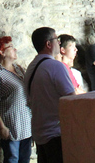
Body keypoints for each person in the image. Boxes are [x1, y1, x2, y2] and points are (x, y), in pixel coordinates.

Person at [24, 27, 75, 163]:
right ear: (48, 44)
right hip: (55, 133)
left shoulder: (31, 67)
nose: (59, 43)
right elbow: (71, 98)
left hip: (40, 132)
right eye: (56, 40)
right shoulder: (55, 66)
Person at [0, 36, 32, 163]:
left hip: (26, 124)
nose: (15, 49)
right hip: (11, 125)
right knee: (12, 159)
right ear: (1, 52)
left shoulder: (18, 68)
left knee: (25, 159)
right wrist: (0, 126)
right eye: (11, 47)